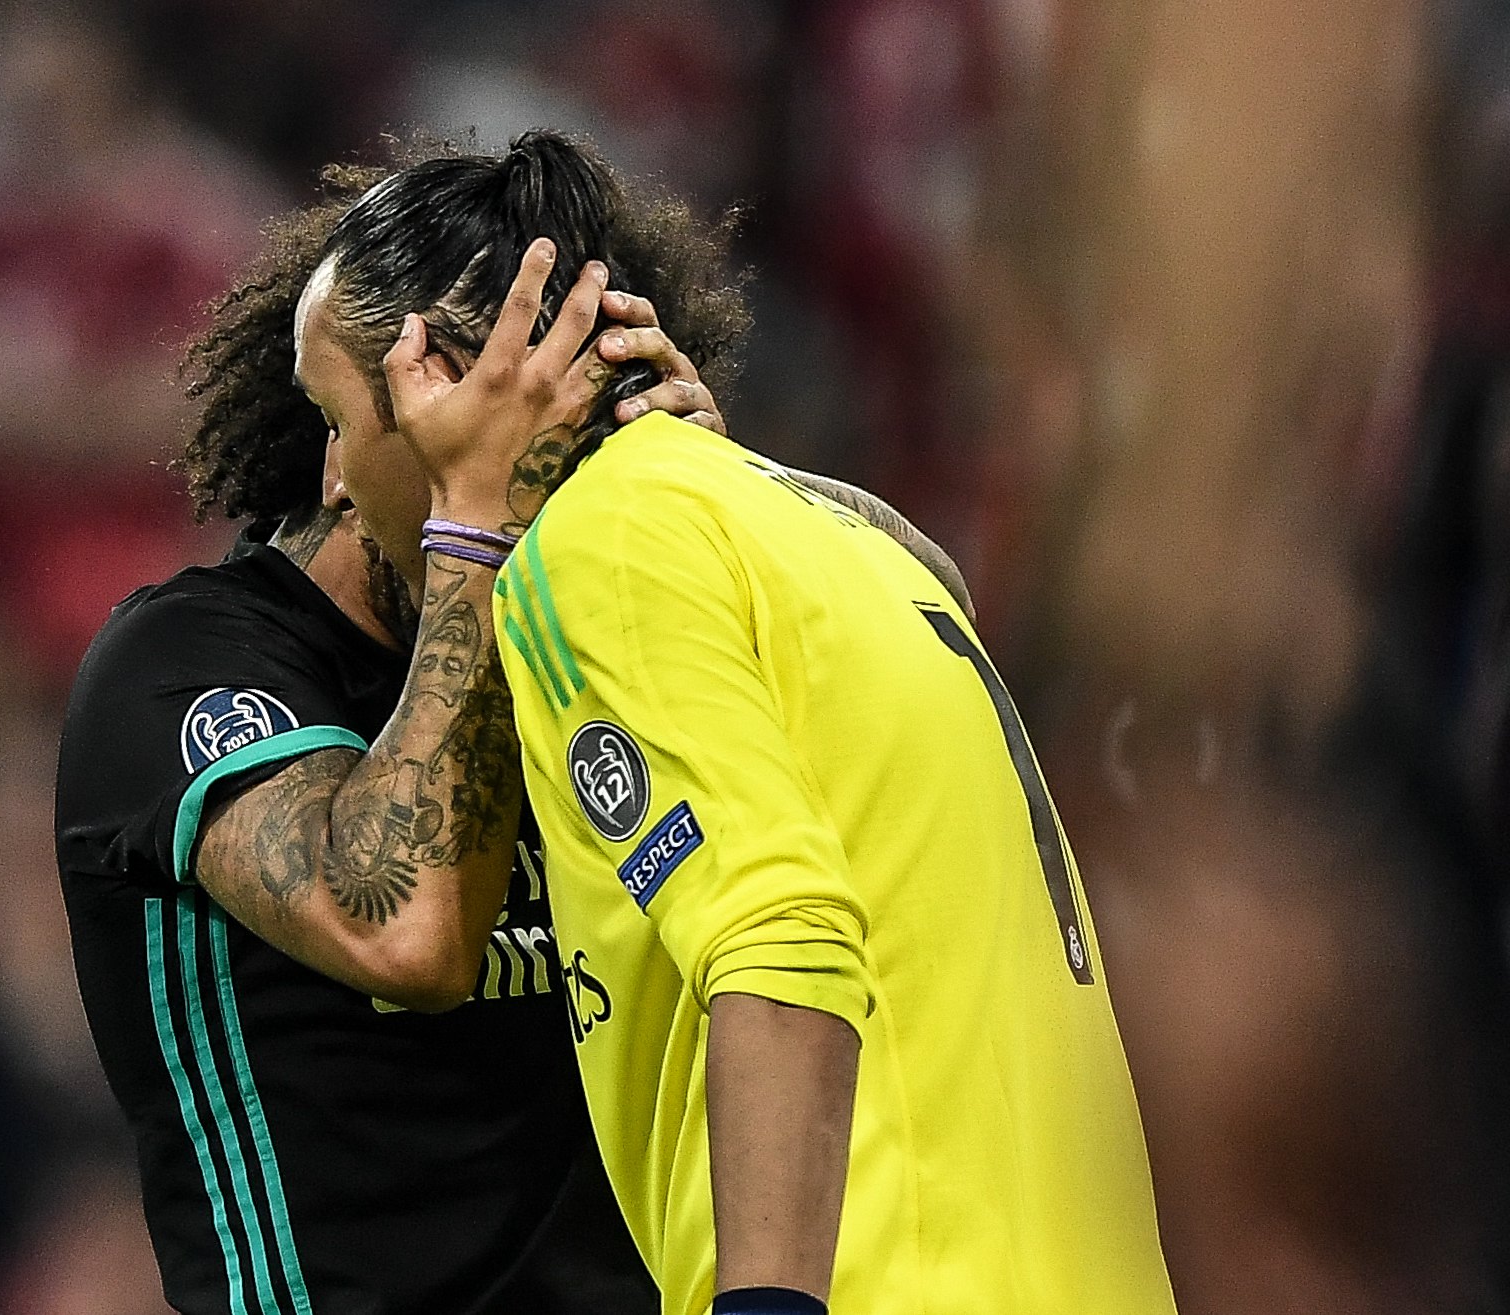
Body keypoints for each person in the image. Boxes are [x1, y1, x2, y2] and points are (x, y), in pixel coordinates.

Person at [56, 146, 971, 1315]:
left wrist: (717, 492)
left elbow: (933, 634)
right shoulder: (183, 663)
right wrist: (475, 528)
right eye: (324, 420)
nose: (330, 476)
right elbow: (410, 931)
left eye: (342, 421)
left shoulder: (608, 623)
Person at [298, 131, 1178, 1315]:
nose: (332, 481)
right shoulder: (849, 542)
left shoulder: (597, 546)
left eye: (334, 416)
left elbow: (781, 939)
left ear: (448, 380)